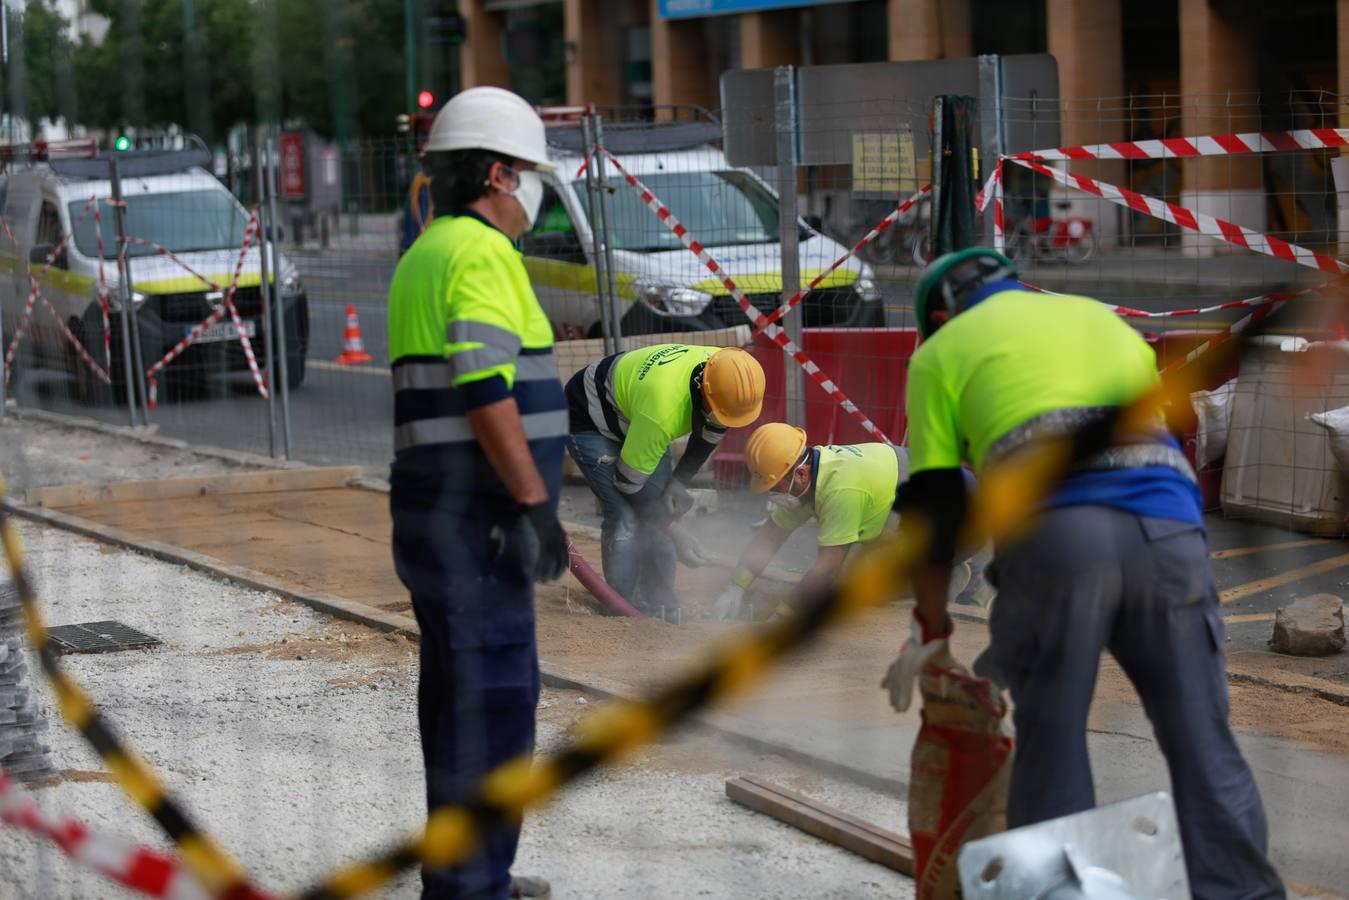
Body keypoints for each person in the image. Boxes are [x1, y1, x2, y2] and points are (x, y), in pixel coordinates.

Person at [883, 247, 1284, 899]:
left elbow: (935, 508)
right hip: (1169, 531)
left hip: (1056, 537)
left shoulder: (938, 353)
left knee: (1054, 737)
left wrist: (928, 630)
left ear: (939, 312)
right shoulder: (1104, 322)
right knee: (1201, 741)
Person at [387, 86, 564, 900]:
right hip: (480, 520)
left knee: (457, 701)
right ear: (496, 174)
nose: (533, 191)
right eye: (526, 173)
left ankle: (460, 873)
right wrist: (532, 502)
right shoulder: (482, 254)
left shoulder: (425, 252)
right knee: (493, 706)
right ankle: (473, 887)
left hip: (432, 512)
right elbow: (485, 383)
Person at [565, 343, 765, 617]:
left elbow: (709, 434)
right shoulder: (663, 410)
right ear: (706, 392)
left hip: (635, 410)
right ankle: (622, 606)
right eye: (720, 412)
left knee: (660, 509)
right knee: (626, 515)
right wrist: (675, 531)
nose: (723, 419)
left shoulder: (725, 373)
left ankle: (660, 601)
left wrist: (678, 482)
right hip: (589, 415)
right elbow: (628, 483)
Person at [713, 423, 911, 621]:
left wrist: (783, 617)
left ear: (800, 474)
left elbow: (828, 567)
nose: (773, 495)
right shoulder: (807, 480)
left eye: (776, 486)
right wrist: (736, 587)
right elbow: (771, 536)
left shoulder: (839, 491)